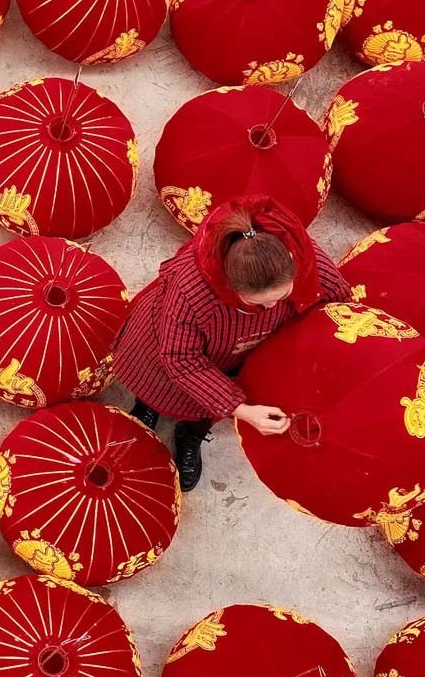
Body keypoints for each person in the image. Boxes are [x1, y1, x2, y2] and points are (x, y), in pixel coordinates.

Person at [113, 195, 351, 491]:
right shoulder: (191, 292)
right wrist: (244, 410)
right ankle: (148, 405)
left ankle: (192, 431)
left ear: (290, 260)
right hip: (177, 348)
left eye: (283, 296)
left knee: (207, 406)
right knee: (158, 383)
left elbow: (338, 304)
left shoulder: (298, 256)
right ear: (228, 285)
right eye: (260, 304)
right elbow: (180, 359)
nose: (275, 307)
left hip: (243, 351)